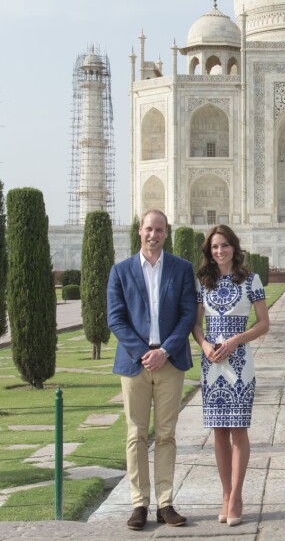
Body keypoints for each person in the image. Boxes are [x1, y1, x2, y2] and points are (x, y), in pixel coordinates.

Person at [107, 210, 196, 531]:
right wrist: (146, 352)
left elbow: (188, 315)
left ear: (166, 233)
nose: (153, 235)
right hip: (135, 362)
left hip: (170, 362)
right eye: (148, 229)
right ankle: (138, 504)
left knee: (167, 434)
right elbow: (116, 318)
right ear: (139, 231)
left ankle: (165, 503)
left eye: (159, 230)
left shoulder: (182, 269)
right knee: (136, 434)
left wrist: (165, 350)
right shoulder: (121, 271)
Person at [192, 225, 269, 527]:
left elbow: (264, 324)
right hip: (212, 363)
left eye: (224, 245)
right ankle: (225, 494)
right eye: (214, 247)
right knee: (219, 432)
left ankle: (236, 496)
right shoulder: (203, 283)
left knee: (238, 430)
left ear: (235, 248)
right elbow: (196, 325)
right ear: (209, 252)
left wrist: (236, 340)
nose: (220, 251)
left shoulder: (251, 281)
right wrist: (205, 344)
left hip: (239, 363)